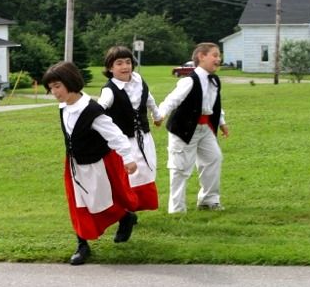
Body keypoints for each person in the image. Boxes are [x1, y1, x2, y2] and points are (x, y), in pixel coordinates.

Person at [42, 61, 139, 266]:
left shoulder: (92, 111)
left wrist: (128, 159)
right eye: (51, 88)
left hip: (95, 164)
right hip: (74, 164)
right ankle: (82, 245)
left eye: (57, 86)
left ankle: (124, 217)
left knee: (99, 202)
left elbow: (115, 135)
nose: (54, 92)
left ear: (70, 82)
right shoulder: (63, 107)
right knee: (77, 204)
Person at [158, 42, 229, 213]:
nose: (218, 59)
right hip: (183, 129)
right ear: (201, 56)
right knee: (180, 167)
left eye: (219, 56)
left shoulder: (215, 80)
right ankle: (176, 208)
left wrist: (221, 123)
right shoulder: (189, 81)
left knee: (214, 158)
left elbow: (214, 104)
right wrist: (160, 114)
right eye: (215, 55)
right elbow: (172, 99)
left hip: (205, 129)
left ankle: (208, 200)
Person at [98, 45, 162, 218]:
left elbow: (149, 100)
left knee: (146, 170)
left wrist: (157, 116)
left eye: (127, 62)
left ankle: (137, 206)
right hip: (123, 141)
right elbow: (99, 109)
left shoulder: (139, 81)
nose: (125, 66)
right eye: (119, 63)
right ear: (110, 68)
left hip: (144, 136)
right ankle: (126, 210)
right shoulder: (109, 90)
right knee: (128, 175)